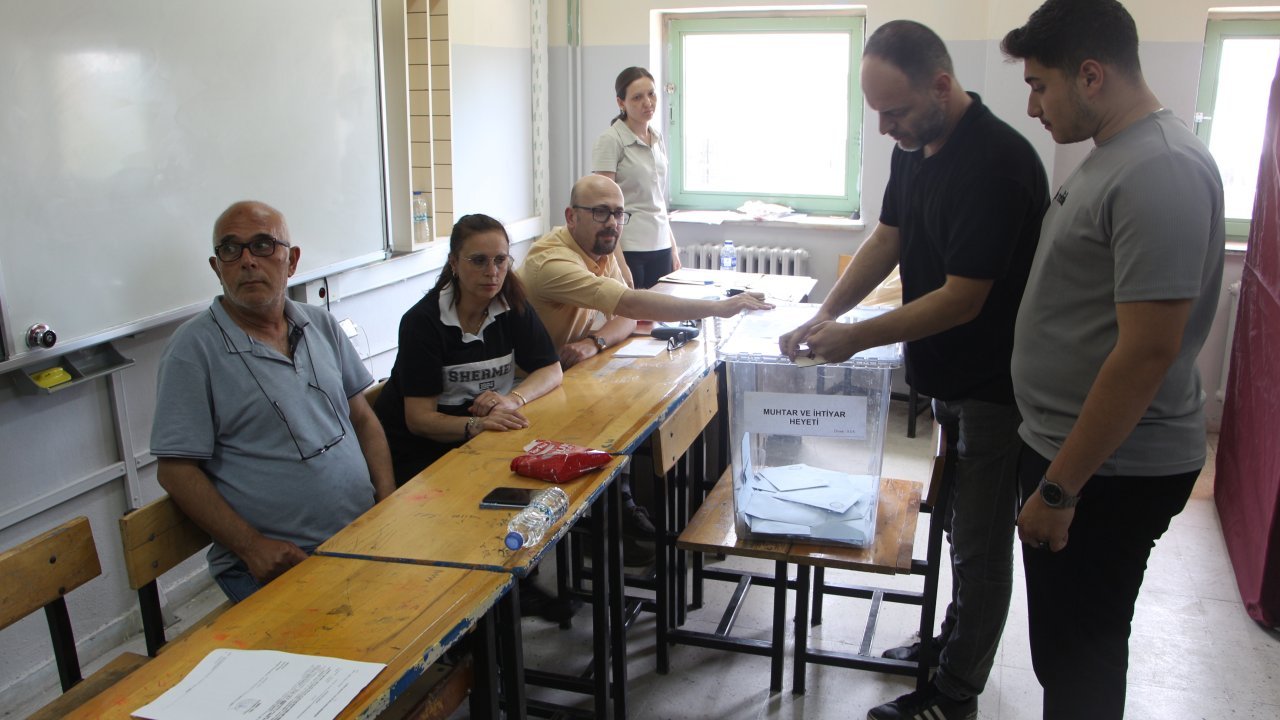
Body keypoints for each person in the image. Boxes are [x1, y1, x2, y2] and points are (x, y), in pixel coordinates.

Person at [779, 20, 1048, 720]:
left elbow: (964, 299)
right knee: (957, 523)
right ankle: (953, 644)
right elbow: (889, 238)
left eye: (894, 111)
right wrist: (823, 313)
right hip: (947, 380)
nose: (886, 127)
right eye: (876, 114)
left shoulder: (996, 161)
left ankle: (954, 695)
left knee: (983, 543)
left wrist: (856, 339)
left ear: (941, 84)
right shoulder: (917, 146)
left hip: (994, 387)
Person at [1001, 2, 1225, 717]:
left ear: (1090, 75)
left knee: (1082, 654)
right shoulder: (1117, 155)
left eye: (1041, 85)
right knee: (1065, 650)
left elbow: (1148, 351)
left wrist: (1061, 490)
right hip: (1073, 452)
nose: (1032, 105)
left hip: (1106, 471)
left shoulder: (1158, 170)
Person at [519, 174, 772, 563]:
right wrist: (718, 307)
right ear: (571, 217)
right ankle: (598, 523)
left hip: (576, 373)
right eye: (600, 212)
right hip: (538, 391)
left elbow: (625, 318)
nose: (612, 223)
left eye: (619, 214)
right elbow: (634, 305)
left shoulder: (600, 250)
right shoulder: (551, 261)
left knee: (652, 400)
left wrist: (594, 341)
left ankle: (618, 508)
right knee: (630, 418)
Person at [151, 201, 395, 603]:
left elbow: (363, 420)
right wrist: (250, 546)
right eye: (231, 249)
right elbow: (175, 471)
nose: (247, 261)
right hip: (280, 564)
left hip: (362, 533)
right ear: (217, 268)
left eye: (263, 245)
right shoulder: (192, 350)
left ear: (292, 260)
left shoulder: (320, 324)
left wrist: (387, 502)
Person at [375, 213, 562, 486]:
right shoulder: (422, 322)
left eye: (500, 260)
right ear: (454, 262)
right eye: (478, 261)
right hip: (422, 456)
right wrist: (475, 425)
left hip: (483, 444)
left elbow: (551, 369)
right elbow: (419, 420)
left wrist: (513, 399)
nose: (492, 272)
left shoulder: (512, 304)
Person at [593, 66, 680, 288]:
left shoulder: (657, 138)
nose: (647, 102)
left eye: (651, 94)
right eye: (637, 97)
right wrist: (618, 262)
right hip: (630, 247)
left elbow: (657, 197)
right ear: (621, 103)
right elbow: (604, 208)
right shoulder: (611, 140)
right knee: (634, 319)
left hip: (660, 242)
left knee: (662, 315)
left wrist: (673, 246)